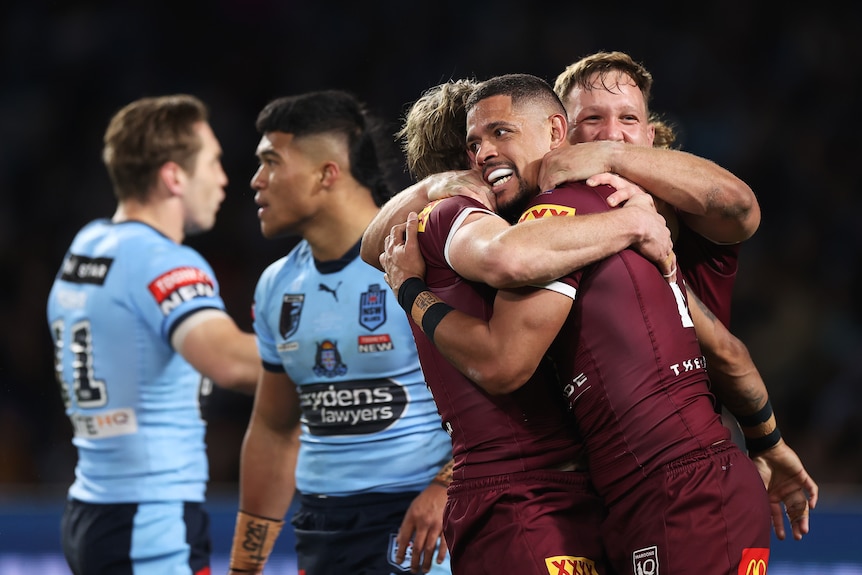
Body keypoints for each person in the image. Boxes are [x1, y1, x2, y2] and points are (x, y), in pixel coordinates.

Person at [366, 57, 817, 542]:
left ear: (650, 134)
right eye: (593, 122)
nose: (612, 136)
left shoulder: (666, 210)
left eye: (628, 120)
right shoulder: (563, 220)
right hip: (616, 488)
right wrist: (766, 440)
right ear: (563, 136)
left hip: (666, 474)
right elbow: (727, 351)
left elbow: (740, 211)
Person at [226, 90, 453, 575]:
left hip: (418, 523)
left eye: (271, 162)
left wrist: (446, 487)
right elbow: (273, 428)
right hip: (321, 527)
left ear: (327, 173)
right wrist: (245, 566)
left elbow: (507, 392)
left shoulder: (421, 255)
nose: (256, 180)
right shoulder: (277, 285)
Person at [46, 94, 260, 575]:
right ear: (173, 176)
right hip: (150, 519)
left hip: (92, 504)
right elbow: (227, 361)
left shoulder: (88, 243)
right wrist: (334, 354)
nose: (224, 178)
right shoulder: (165, 260)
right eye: (213, 162)